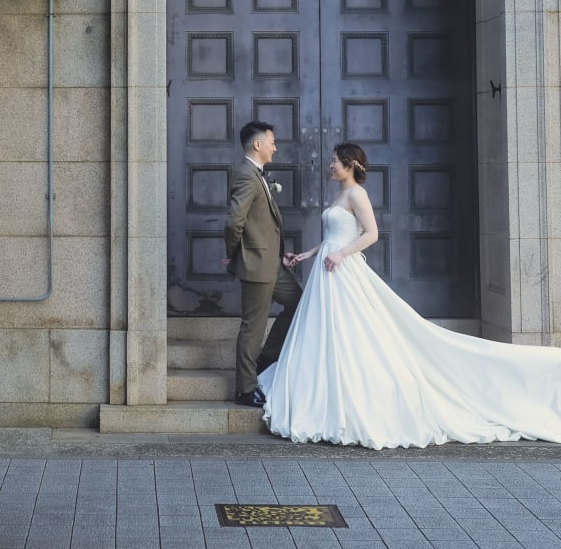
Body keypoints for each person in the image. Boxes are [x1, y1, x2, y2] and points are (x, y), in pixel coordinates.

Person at [259, 142, 561, 448]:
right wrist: (307, 254)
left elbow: (371, 234)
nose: (329, 164)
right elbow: (332, 238)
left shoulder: (357, 194)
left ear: (350, 165)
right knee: (324, 331)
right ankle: (320, 387)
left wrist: (341, 256)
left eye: (334, 160)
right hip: (327, 271)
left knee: (350, 331)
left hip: (343, 272)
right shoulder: (340, 194)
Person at [223, 121, 303, 407]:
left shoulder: (258, 175)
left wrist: (279, 253)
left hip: (273, 264)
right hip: (256, 265)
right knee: (253, 327)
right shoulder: (246, 175)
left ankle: (267, 357)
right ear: (257, 145)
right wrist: (234, 253)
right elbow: (234, 221)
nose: (275, 146)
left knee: (299, 303)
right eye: (272, 141)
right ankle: (245, 388)